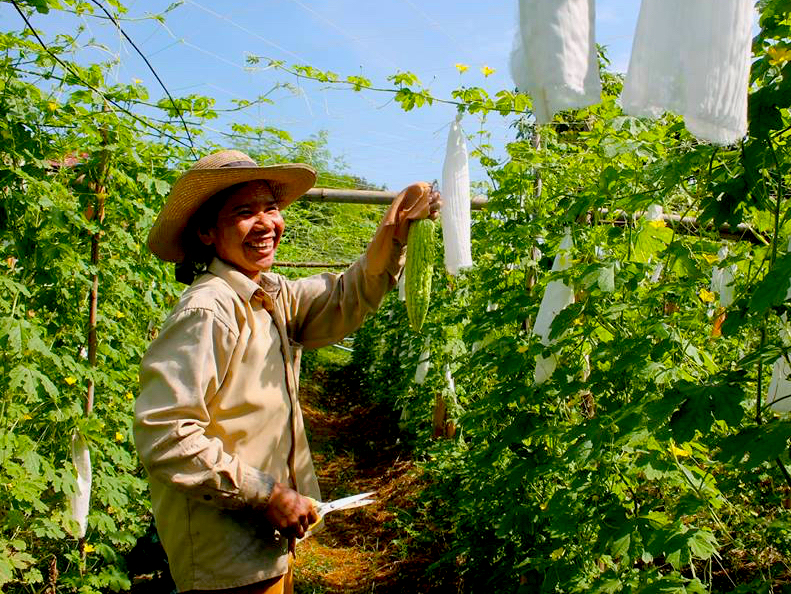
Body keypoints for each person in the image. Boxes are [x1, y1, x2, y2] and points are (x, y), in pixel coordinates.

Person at [133, 149, 441, 594]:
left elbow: (344, 297)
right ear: (206, 232)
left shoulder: (269, 294)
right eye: (244, 212)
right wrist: (266, 493)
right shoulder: (210, 310)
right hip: (225, 551)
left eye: (270, 208)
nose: (265, 224)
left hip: (262, 542)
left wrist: (397, 231)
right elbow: (166, 434)